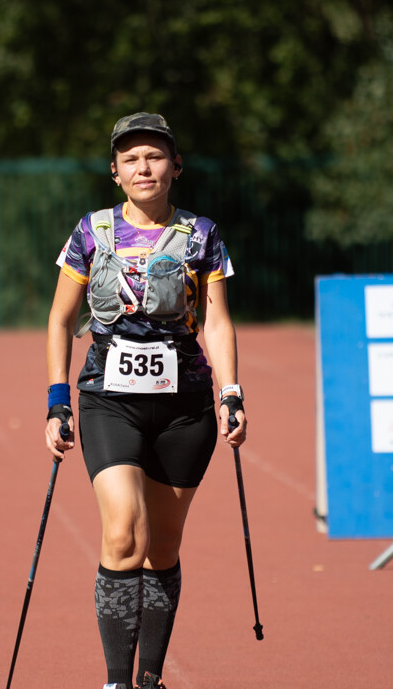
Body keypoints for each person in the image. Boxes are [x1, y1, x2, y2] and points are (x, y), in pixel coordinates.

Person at [44, 112, 248, 689]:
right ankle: (115, 681)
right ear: (115, 172)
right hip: (110, 403)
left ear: (175, 166)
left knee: (162, 545)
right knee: (122, 532)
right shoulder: (91, 233)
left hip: (185, 409)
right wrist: (58, 400)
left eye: (154, 156)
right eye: (130, 158)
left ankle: (150, 677)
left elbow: (218, 321)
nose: (144, 167)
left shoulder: (202, 234)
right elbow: (61, 321)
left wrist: (231, 394)